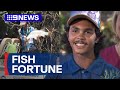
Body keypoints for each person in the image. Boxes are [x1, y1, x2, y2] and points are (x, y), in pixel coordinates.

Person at [45, 11, 120, 79]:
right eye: (75, 31)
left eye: (87, 32)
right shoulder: (55, 74)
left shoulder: (112, 74)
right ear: (68, 35)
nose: (80, 36)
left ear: (97, 38)